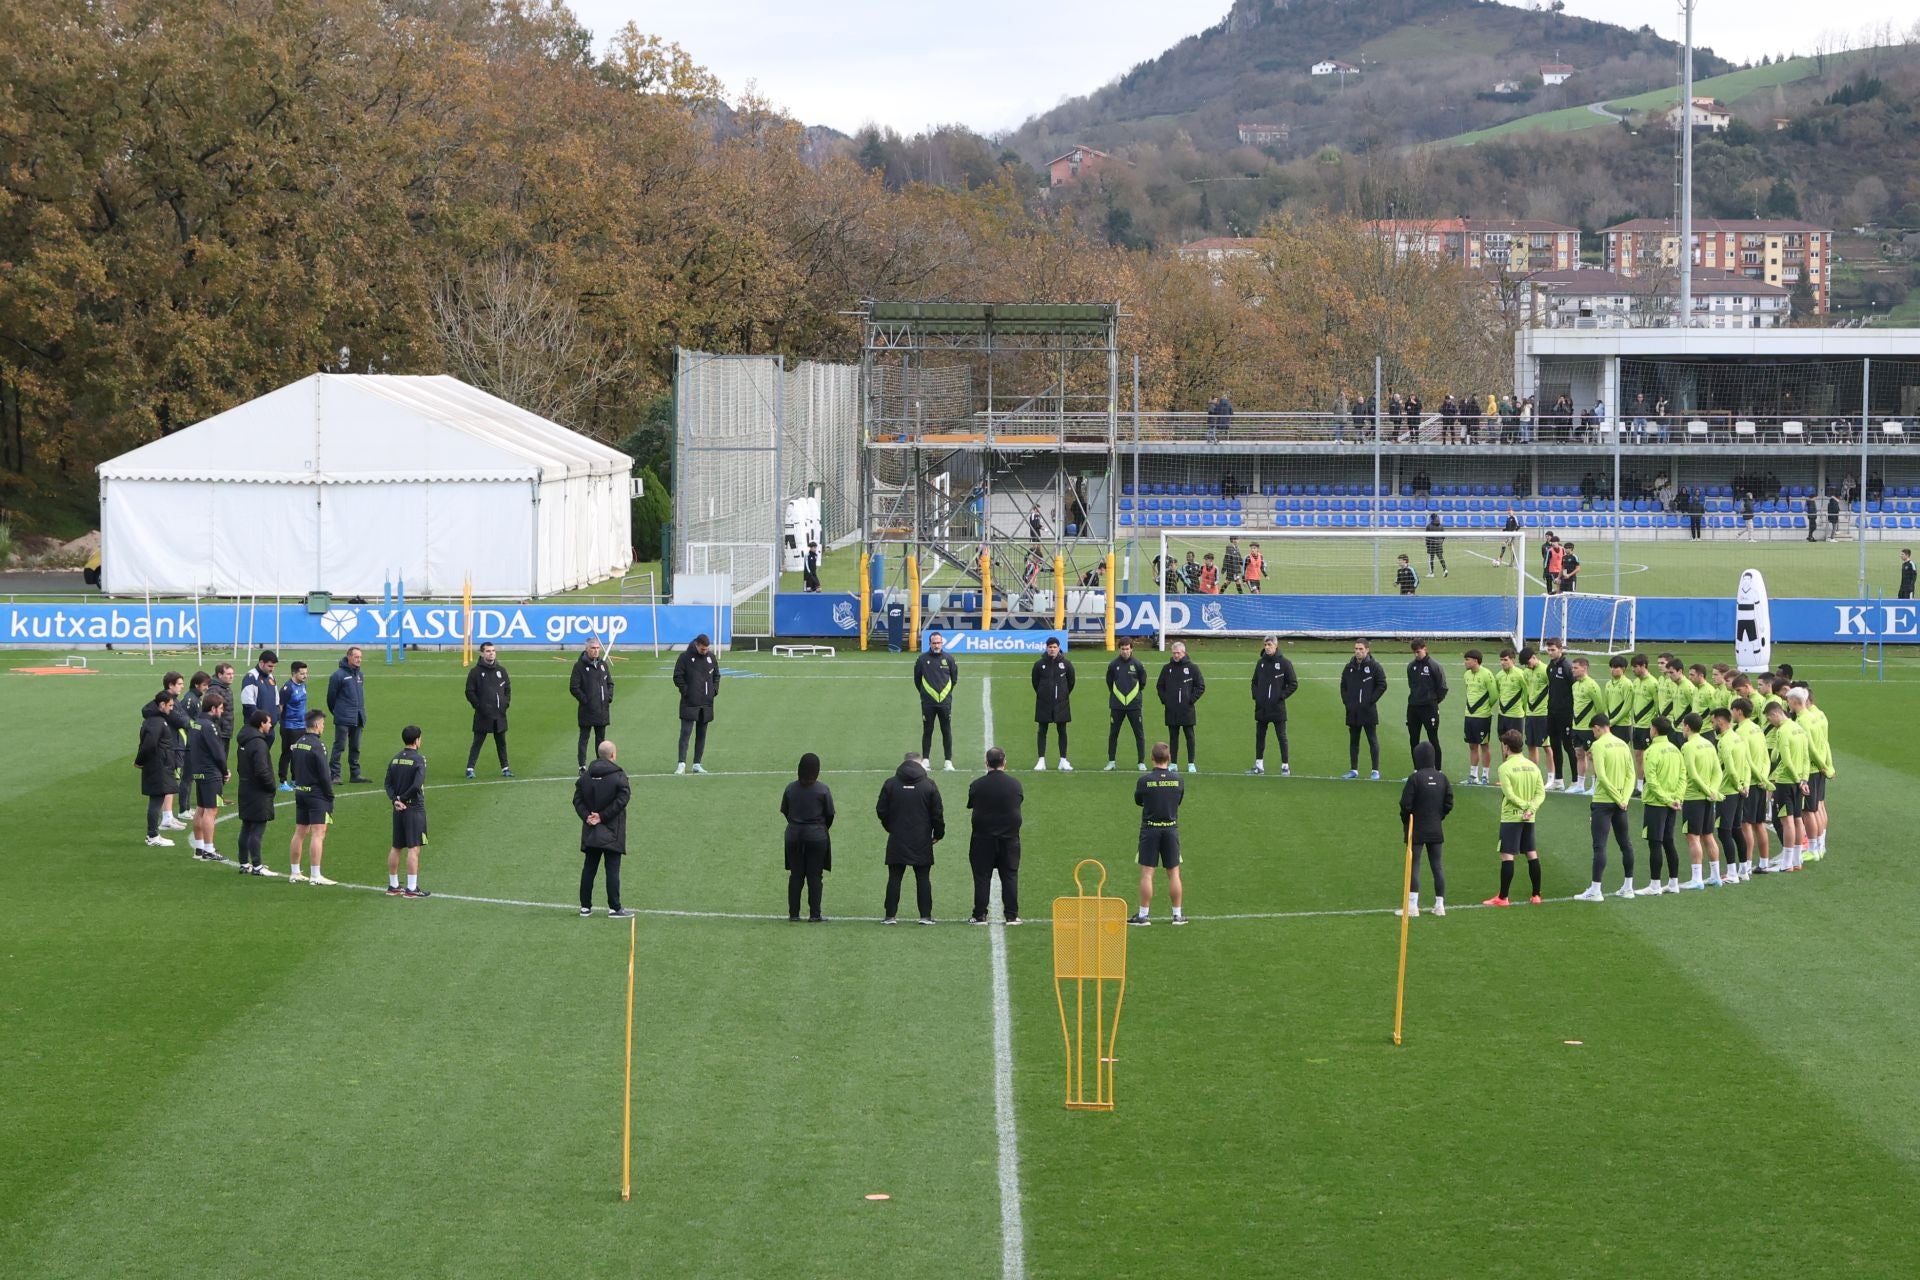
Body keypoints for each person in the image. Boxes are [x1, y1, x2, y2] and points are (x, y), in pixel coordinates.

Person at [1574, 715, 1638, 902]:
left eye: (1593, 730)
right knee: (1625, 844)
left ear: (1597, 728)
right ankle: (1628, 888)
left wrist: (1618, 798)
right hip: (1621, 803)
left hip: (1603, 802)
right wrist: (1624, 798)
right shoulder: (1623, 744)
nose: (1593, 734)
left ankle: (1595, 890)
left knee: (1599, 846)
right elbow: (1631, 775)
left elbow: (1601, 775)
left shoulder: (1599, 745)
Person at [876, 752, 944, 924]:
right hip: (921, 839)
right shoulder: (929, 785)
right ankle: (925, 916)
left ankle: (890, 916)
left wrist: (890, 827)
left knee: (894, 877)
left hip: (897, 837)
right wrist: (938, 834)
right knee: (923, 877)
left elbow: (881, 810)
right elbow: (937, 813)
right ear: (920, 763)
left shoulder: (890, 784)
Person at [1486, 729, 1545, 906]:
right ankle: (1536, 895)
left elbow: (1509, 794)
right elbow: (1541, 793)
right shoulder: (1533, 766)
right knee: (1531, 853)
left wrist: (1523, 806)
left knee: (1507, 855)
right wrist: (1530, 808)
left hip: (1511, 817)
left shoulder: (1504, 768)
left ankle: (1503, 897)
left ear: (1506, 746)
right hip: (1529, 817)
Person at [1130, 741, 1186, 926]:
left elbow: (1139, 800)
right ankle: (1177, 915)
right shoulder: (1178, 780)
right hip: (1170, 829)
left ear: (1152, 758)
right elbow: (1178, 801)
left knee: (1147, 874)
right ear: (1169, 758)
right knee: (1174, 874)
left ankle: (1144, 915)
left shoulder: (1144, 780)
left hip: (1150, 829)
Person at [575, 740, 633, 918]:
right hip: (611, 830)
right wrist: (603, 816)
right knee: (612, 869)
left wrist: (588, 816)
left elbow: (577, 800)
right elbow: (622, 800)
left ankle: (585, 907)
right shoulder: (619, 776)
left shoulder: (585, 776)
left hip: (591, 830)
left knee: (589, 868)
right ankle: (614, 908)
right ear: (613, 755)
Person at [966, 747, 1024, 925]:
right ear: (1004, 763)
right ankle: (1012, 915)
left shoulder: (977, 784)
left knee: (982, 877)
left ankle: (980, 914)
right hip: (1009, 838)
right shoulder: (1015, 784)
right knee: (1010, 876)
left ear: (986, 763)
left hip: (983, 839)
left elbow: (971, 804)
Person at [1398, 741, 1453, 918]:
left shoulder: (1415, 778)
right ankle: (1440, 905)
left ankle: (1412, 907)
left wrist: (1407, 820)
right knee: (1437, 866)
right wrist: (1439, 816)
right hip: (1436, 828)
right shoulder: (1442, 778)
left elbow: (1405, 804)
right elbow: (1448, 803)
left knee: (1414, 865)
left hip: (1417, 828)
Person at [781, 752, 835, 922]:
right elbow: (830, 814)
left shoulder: (790, 788)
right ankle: (815, 914)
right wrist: (820, 828)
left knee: (796, 875)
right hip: (817, 836)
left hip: (793, 835)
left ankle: (794, 914)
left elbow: (785, 811)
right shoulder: (823, 789)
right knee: (814, 876)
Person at [379, 725, 432, 898]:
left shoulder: (395, 759)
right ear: (417, 740)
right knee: (413, 848)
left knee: (396, 847)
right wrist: (403, 799)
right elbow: (417, 785)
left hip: (398, 809)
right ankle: (411, 888)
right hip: (413, 807)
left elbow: (387, 783)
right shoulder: (418, 759)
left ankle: (393, 885)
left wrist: (395, 800)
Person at [287, 709, 337, 885]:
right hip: (316, 794)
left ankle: (295, 872)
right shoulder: (318, 745)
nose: (323, 727)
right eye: (322, 724)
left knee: (300, 832)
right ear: (316, 725)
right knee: (318, 833)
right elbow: (324, 774)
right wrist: (329, 795)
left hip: (301, 791)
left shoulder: (299, 742)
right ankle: (316, 875)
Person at [1764, 700, 1813, 872]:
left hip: (1785, 782)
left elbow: (1785, 759)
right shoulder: (1799, 728)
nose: (1771, 723)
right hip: (1800, 780)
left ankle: (1787, 863)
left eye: (1770, 719)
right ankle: (1797, 860)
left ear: (1775, 714)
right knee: (1798, 819)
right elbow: (1806, 757)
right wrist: (1803, 779)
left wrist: (1796, 779)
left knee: (1787, 821)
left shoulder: (1783, 731)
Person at [1677, 712, 1724, 890]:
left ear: (1688, 727)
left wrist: (1706, 791)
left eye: (1683, 725)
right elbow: (1718, 771)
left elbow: (1693, 774)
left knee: (1693, 837)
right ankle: (1716, 876)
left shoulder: (1688, 747)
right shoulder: (1709, 744)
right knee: (1708, 835)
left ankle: (1697, 879)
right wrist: (1713, 790)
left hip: (1693, 797)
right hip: (1707, 797)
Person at [1638, 716, 1684, 895]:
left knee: (1655, 843)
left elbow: (1651, 780)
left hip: (1656, 803)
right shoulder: (1675, 750)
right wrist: (1677, 798)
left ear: (1654, 730)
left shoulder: (1651, 751)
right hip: (1672, 803)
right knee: (1669, 841)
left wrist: (1666, 799)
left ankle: (1655, 885)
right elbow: (1682, 776)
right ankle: (1674, 883)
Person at [1790, 685, 1834, 862]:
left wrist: (1823, 765)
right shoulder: (1814, 717)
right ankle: (1820, 846)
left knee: (1809, 811)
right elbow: (1824, 743)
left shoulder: (1802, 721)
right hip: (1819, 768)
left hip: (1811, 769)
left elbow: (1811, 748)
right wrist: (1828, 765)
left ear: (1794, 702)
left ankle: (1814, 849)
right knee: (1817, 807)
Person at [234, 708, 280, 876]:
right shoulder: (259, 743)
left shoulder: (244, 740)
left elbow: (240, 767)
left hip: (245, 787)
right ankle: (258, 866)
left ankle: (244, 863)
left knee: (246, 826)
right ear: (261, 724)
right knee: (257, 829)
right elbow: (262, 770)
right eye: (268, 722)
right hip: (258, 791)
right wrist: (270, 786)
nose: (270, 725)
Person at [186, 692, 230, 862]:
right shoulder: (209, 726)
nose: (222, 711)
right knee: (211, 810)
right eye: (220, 708)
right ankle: (209, 850)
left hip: (198, 770)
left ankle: (199, 848)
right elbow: (218, 752)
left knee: (201, 808)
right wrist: (225, 770)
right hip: (210, 772)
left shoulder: (196, 723)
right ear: (213, 708)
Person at [136, 690, 183, 848]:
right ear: (161, 704)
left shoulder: (156, 719)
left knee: (157, 800)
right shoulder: (156, 721)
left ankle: (153, 835)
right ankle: (153, 835)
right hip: (158, 766)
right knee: (156, 801)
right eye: (169, 706)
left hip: (159, 765)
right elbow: (148, 745)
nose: (171, 709)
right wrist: (139, 761)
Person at [1710, 707, 1750, 883]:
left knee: (1725, 832)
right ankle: (1743, 870)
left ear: (1720, 721)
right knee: (1736, 830)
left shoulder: (1724, 742)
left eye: (1713, 722)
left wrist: (1737, 785)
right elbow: (1747, 765)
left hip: (1727, 792)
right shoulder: (1738, 738)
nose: (1712, 725)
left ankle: (1732, 873)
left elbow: (1730, 768)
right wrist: (1745, 785)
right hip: (1740, 790)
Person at [1249, 635, 1298, 777]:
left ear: (1276, 646)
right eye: (1265, 645)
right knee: (1260, 736)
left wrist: (1280, 696)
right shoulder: (1261, 663)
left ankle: (1285, 766)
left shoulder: (1284, 663)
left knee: (1281, 737)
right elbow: (1254, 682)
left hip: (1277, 708)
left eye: (1269, 645)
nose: (1267, 647)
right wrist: (1257, 697)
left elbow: (1293, 684)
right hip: (1262, 707)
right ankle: (1259, 765)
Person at [673, 633, 720, 775]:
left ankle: (697, 764)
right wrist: (686, 691)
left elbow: (717, 675)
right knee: (685, 733)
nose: (705, 651)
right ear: (697, 645)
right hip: (689, 702)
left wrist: (714, 690)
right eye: (702, 649)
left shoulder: (711, 658)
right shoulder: (685, 657)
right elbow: (677, 676)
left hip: (706, 703)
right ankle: (681, 764)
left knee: (702, 734)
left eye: (707, 649)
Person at [1340, 639, 1388, 780]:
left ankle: (1375, 771)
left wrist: (1370, 700)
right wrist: (1347, 702)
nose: (1358, 651)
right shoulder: (1349, 667)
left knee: (1372, 740)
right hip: (1353, 711)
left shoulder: (1374, 667)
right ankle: (1353, 770)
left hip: (1368, 711)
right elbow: (1343, 686)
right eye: (1356, 649)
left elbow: (1382, 684)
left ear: (1367, 650)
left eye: (1361, 649)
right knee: (1354, 741)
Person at [464, 641, 513, 778]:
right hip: (483, 714)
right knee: (478, 742)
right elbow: (469, 691)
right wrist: (479, 706)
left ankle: (505, 768)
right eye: (488, 651)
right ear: (482, 653)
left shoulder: (501, 671)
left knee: (501, 742)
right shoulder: (475, 672)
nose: (491, 653)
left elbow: (507, 689)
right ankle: (469, 769)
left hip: (499, 714)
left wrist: (505, 703)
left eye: (493, 651)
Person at [1156, 640, 1206, 773]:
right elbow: (1160, 686)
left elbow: (1200, 686)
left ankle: (1191, 763)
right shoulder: (1167, 668)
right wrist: (1166, 701)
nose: (1176, 655)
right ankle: (1173, 763)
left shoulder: (1192, 668)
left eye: (1178, 653)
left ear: (1184, 652)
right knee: (1173, 737)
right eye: (1174, 653)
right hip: (1171, 710)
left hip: (1187, 710)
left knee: (1189, 736)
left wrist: (1190, 700)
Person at [914, 630, 959, 772]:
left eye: (938, 642)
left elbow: (954, 679)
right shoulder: (922, 659)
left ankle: (948, 761)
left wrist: (945, 695)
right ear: (930, 643)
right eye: (934, 643)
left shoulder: (949, 659)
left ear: (942, 642)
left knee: (946, 730)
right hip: (928, 703)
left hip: (945, 702)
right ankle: (926, 760)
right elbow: (917, 679)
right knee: (928, 730)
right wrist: (925, 694)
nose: (936, 645)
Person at [570, 636, 615, 773]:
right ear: (587, 649)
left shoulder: (603, 665)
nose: (595, 651)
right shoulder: (579, 666)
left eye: (597, 648)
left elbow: (610, 684)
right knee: (584, 738)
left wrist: (608, 697)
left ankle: (600, 764)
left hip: (602, 710)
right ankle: (582, 766)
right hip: (587, 710)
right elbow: (574, 687)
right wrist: (586, 701)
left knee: (600, 740)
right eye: (593, 648)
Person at [1104, 637, 1149, 771]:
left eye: (1127, 649)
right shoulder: (1113, 665)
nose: (1125, 651)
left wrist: (1133, 696)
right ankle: (1111, 761)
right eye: (1123, 649)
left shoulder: (1138, 664)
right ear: (1120, 649)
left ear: (1131, 649)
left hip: (1134, 705)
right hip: (1117, 705)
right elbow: (1109, 682)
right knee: (1113, 734)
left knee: (1139, 734)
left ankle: (1141, 762)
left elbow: (1143, 682)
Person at [1030, 635, 1075, 770]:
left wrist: (1063, 695)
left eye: (1055, 647)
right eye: (1050, 647)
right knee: (1042, 730)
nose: (1052, 649)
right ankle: (1041, 760)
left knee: (1062, 731)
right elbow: (1035, 682)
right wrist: (1044, 694)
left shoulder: (1066, 664)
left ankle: (1063, 760)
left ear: (1059, 648)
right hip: (1044, 703)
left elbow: (1071, 682)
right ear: (1046, 648)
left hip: (1061, 704)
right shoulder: (1039, 664)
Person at [326, 646, 369, 783]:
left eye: (360, 657)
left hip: (358, 716)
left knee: (355, 747)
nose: (359, 660)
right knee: (340, 746)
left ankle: (355, 774)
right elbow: (331, 698)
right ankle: (335, 775)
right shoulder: (338, 675)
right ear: (349, 657)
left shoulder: (359, 675)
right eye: (356, 657)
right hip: (343, 717)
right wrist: (338, 712)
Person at [239, 650, 282, 781]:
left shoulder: (271, 678)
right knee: (255, 754)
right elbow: (248, 703)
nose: (272, 669)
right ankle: (252, 778)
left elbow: (276, 700)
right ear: (261, 663)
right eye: (270, 666)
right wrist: (261, 722)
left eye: (274, 666)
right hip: (257, 728)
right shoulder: (251, 677)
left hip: (269, 727)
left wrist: (276, 717)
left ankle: (261, 776)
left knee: (264, 755)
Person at [1404, 639, 1447, 771]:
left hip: (1429, 708)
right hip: (1413, 708)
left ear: (1425, 649)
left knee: (1433, 739)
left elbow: (1442, 688)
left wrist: (1433, 701)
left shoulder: (1434, 666)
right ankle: (1417, 770)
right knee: (1413, 740)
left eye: (1418, 651)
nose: (1417, 655)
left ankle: (1437, 770)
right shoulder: (1411, 666)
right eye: (1414, 652)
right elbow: (1412, 685)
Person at [1567, 656, 1603, 795]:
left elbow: (1599, 707)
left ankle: (1595, 786)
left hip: (1588, 729)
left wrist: (1595, 726)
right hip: (1576, 727)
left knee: (1592, 756)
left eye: (1575, 668)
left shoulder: (1592, 685)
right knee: (1579, 754)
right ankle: (1580, 785)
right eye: (1572, 668)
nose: (1573, 670)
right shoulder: (1575, 685)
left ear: (1585, 668)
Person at [1459, 649, 1495, 785]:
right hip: (1469, 715)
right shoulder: (1467, 675)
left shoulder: (1487, 674)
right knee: (1472, 745)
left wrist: (1485, 708)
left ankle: (1485, 775)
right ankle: (1473, 776)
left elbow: (1494, 695)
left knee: (1484, 745)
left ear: (1475, 661)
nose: (1465, 662)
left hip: (1482, 716)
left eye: (1467, 659)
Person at [1543, 640, 1575, 791]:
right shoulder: (1550, 667)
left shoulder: (1567, 667)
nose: (1550, 653)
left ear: (1560, 649)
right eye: (1548, 650)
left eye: (1553, 650)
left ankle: (1576, 781)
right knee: (1555, 746)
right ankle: (1558, 780)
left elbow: (1573, 689)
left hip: (1565, 714)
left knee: (1568, 746)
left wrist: (1571, 711)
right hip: (1552, 713)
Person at [277, 661, 309, 790]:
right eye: (302, 673)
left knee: (298, 754)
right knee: (287, 753)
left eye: (306, 673)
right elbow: (279, 706)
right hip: (289, 727)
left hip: (301, 726)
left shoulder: (303, 685)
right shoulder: (287, 688)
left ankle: (296, 780)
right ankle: (282, 782)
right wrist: (282, 723)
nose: (305, 676)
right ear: (293, 673)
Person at [1424, 513, 1449, 578]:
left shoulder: (1429, 526)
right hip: (1439, 545)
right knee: (1441, 558)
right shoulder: (1441, 526)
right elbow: (1443, 537)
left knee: (1431, 559)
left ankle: (1431, 573)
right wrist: (1440, 543)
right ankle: (1445, 570)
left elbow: (1427, 537)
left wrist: (1427, 545)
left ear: (1431, 518)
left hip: (1431, 545)